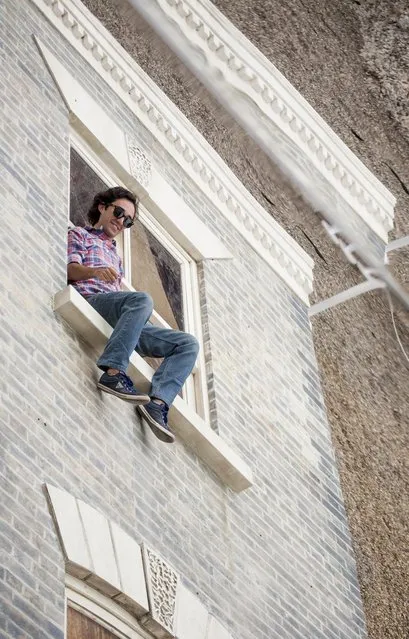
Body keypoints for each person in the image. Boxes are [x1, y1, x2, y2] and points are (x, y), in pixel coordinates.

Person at [67, 186, 199, 444]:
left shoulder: (116, 257)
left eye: (128, 220)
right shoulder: (80, 234)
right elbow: (71, 270)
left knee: (188, 344)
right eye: (118, 212)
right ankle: (114, 374)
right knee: (142, 300)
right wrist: (95, 272)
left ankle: (158, 404)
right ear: (103, 207)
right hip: (93, 301)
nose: (121, 221)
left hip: (120, 319)